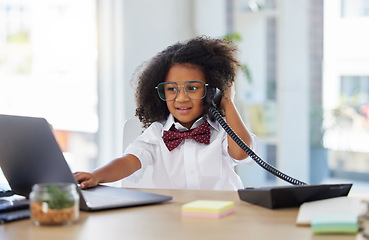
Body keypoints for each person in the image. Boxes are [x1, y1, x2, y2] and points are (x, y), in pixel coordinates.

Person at [74, 36, 257, 191]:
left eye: (192, 88)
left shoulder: (223, 130)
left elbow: (241, 152)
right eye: (171, 89)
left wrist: (227, 101)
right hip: (174, 220)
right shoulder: (156, 133)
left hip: (225, 219)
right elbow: (128, 162)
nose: (181, 98)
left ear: (212, 90)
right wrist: (96, 176)